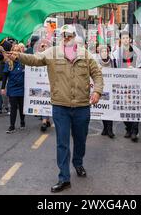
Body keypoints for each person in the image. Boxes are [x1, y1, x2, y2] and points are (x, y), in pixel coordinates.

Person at [10, 24, 104, 193]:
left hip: (82, 106)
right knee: (62, 143)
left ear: (75, 36)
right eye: (64, 35)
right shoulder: (52, 53)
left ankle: (78, 163)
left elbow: (97, 74)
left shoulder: (85, 54)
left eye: (69, 35)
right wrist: (18, 56)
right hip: (60, 107)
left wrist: (97, 91)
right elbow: (35, 59)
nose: (66, 37)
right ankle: (64, 178)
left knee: (80, 139)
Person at [112, 30, 141, 142]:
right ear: (121, 40)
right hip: (122, 84)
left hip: (135, 83)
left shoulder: (137, 51)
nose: (126, 40)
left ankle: (135, 131)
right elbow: (114, 67)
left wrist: (135, 69)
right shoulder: (117, 53)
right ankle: (128, 128)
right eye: (123, 38)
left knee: (135, 106)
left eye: (127, 38)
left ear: (130, 39)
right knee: (124, 106)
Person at [2, 44, 26, 133]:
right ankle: (12, 126)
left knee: (22, 107)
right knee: (13, 107)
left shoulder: (24, 63)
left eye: (18, 51)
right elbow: (5, 76)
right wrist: (3, 88)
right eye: (14, 51)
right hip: (12, 88)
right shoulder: (8, 63)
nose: (15, 53)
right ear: (11, 53)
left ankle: (22, 121)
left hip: (22, 88)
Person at [94, 44, 116, 139]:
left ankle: (110, 129)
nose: (104, 53)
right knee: (103, 108)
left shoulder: (113, 62)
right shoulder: (96, 62)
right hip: (101, 87)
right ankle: (105, 128)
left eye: (106, 51)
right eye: (102, 51)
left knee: (110, 108)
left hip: (111, 87)